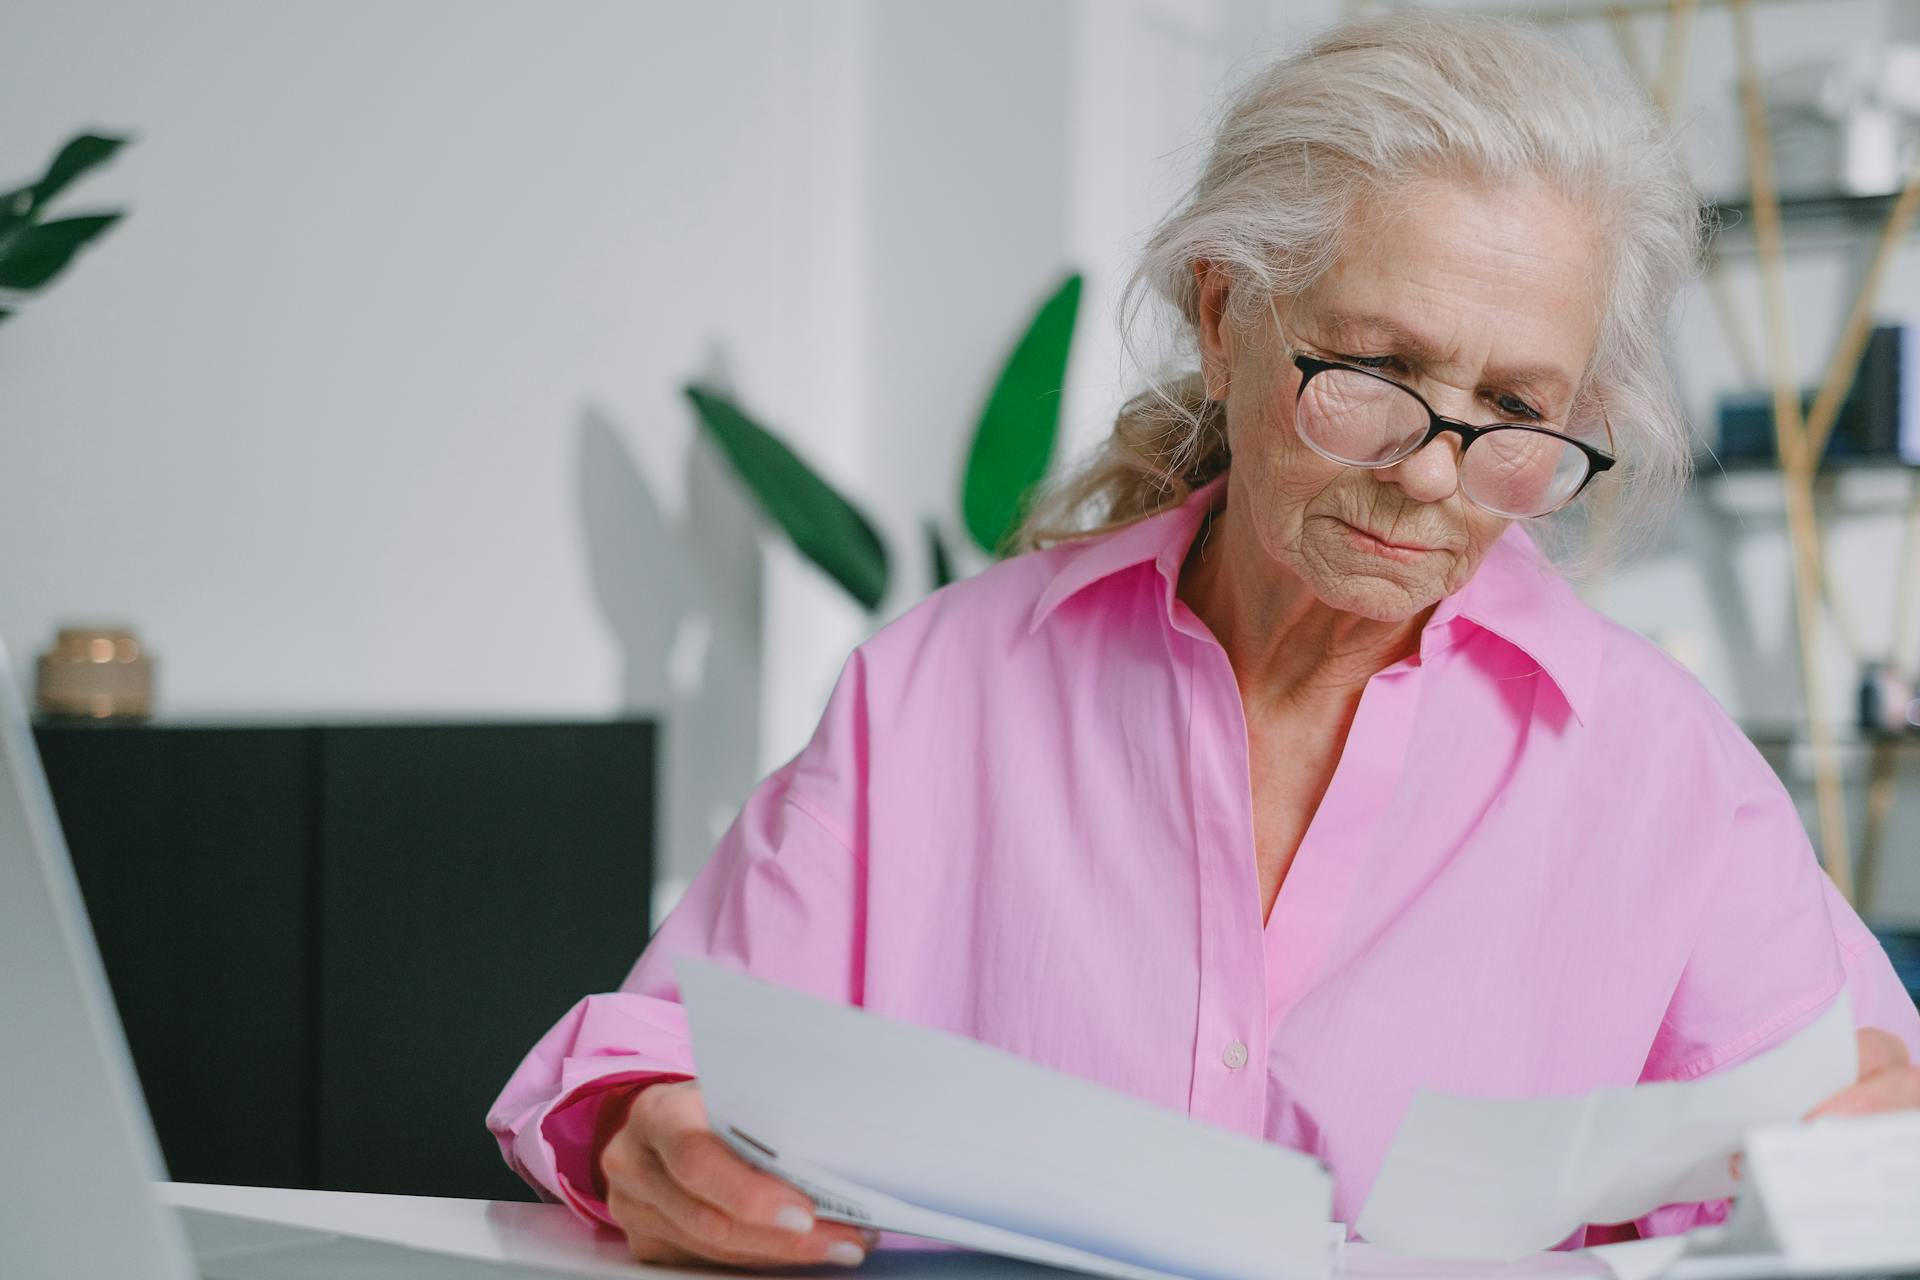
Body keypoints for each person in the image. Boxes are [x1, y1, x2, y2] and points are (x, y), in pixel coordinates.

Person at [490, 11, 1920, 1268]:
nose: (1432, 471)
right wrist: (651, 1138)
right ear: (1228, 311)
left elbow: (1861, 1136)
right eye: (1376, 372)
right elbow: (659, 1055)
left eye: (1514, 411)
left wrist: (1864, 1158)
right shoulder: (938, 691)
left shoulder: (1665, 776)